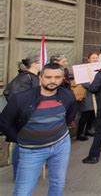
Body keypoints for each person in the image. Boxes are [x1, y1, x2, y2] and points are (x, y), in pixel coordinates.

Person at [0, 63, 76, 195]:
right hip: (31, 151)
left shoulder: (68, 95)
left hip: (61, 145)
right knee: (23, 191)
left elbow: (69, 116)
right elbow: (4, 123)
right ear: (40, 77)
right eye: (48, 77)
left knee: (58, 182)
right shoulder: (21, 98)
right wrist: (20, 139)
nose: (53, 81)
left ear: (62, 78)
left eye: (57, 77)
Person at [2, 56, 41, 180]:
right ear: (34, 64)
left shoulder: (34, 77)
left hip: (33, 118)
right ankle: (19, 174)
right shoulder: (24, 78)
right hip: (24, 120)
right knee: (21, 146)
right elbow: (16, 98)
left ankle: (27, 172)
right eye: (41, 62)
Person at [76, 52, 99, 141]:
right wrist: (95, 86)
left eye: (97, 58)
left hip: (96, 95)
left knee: (92, 115)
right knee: (85, 115)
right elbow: (84, 82)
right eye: (93, 58)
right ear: (88, 59)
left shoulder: (98, 69)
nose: (95, 59)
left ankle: (88, 130)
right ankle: (80, 133)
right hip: (87, 95)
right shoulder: (83, 69)